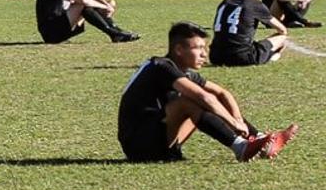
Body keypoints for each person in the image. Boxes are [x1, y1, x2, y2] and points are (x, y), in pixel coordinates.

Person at [118, 21, 298, 162]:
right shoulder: (161, 66)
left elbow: (222, 93)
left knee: (201, 100)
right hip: (137, 145)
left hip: (158, 138)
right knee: (190, 102)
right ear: (179, 50)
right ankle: (241, 148)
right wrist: (234, 125)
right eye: (198, 48)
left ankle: (260, 140)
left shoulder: (183, 71)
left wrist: (240, 122)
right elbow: (203, 97)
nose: (204, 54)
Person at [209, 0, 287, 66]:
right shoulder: (255, 4)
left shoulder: (225, 2)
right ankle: (272, 56)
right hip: (241, 57)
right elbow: (282, 30)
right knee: (282, 38)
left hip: (215, 56)